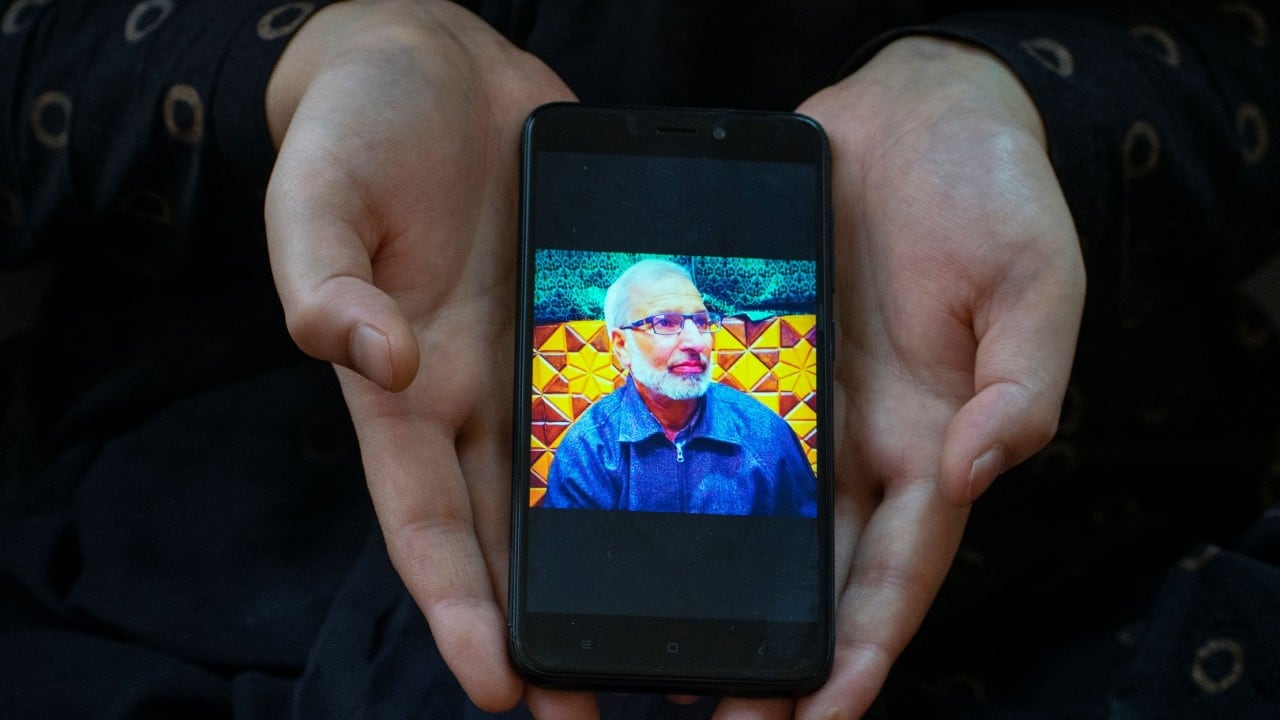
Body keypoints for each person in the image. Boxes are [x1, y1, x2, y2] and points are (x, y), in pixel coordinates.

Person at [1, 1, 1276, 719]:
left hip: (1055, 605)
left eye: (692, 323)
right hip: (182, 589)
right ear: (612, 343)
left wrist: (1018, 94)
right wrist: (300, 61)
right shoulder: (584, 450)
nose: (680, 340)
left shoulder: (776, 441)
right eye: (651, 325)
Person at [542, 259, 817, 516]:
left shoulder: (765, 434)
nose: (696, 342)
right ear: (622, 345)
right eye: (664, 322)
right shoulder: (588, 452)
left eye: (701, 321)